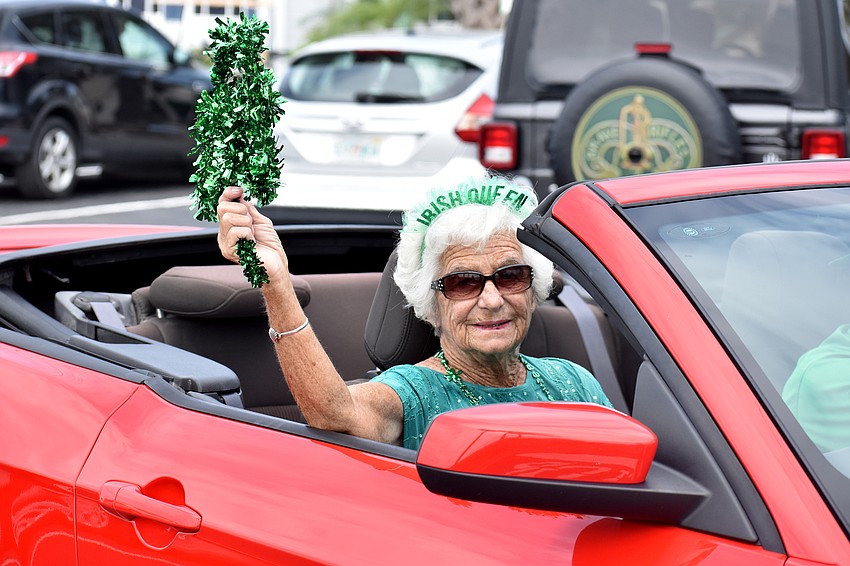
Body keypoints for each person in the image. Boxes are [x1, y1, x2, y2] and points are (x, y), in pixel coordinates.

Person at [217, 177, 613, 450]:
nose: (492, 300)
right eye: (463, 283)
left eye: (510, 276)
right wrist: (276, 285)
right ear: (432, 304)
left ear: (533, 287)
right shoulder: (414, 392)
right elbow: (334, 412)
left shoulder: (573, 381)